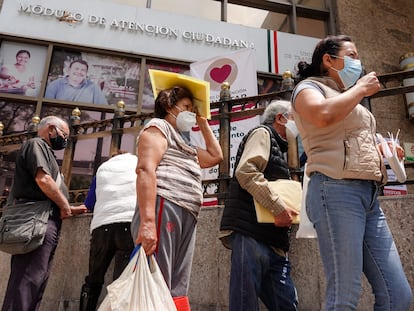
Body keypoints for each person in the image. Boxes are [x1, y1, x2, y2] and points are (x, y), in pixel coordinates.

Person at [291, 35, 413, 310]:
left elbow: (349, 137)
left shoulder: (348, 98)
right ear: (329, 59)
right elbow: (322, 115)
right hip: (335, 190)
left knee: (398, 295)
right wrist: (359, 89)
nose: (358, 61)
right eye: (352, 54)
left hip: (369, 196)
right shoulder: (307, 88)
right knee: (344, 298)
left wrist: (384, 148)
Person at [131, 80, 223, 310]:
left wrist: (202, 122)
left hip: (187, 213)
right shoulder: (157, 127)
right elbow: (145, 169)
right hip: (166, 204)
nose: (191, 113)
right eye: (187, 107)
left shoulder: (185, 143)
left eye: (193, 109)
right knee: (157, 279)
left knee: (176, 287)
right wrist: (148, 222)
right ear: (170, 106)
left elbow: (215, 155)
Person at [1, 115, 87, 311]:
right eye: (64, 135)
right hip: (36, 220)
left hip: (44, 218)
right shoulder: (36, 144)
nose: (65, 140)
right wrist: (65, 206)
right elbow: (44, 180)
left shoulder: (47, 153)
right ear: (51, 129)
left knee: (36, 280)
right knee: (27, 280)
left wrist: (67, 207)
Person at [219, 100, 299, 311]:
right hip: (251, 233)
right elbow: (247, 172)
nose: (299, 124)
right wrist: (279, 207)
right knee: (245, 301)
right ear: (280, 118)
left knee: (285, 303)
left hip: (273, 240)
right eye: (295, 118)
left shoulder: (280, 148)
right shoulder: (262, 133)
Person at [79, 151, 138, 311]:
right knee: (122, 280)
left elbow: (90, 203)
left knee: (93, 279)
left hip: (101, 227)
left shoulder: (103, 168)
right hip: (128, 223)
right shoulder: (138, 162)